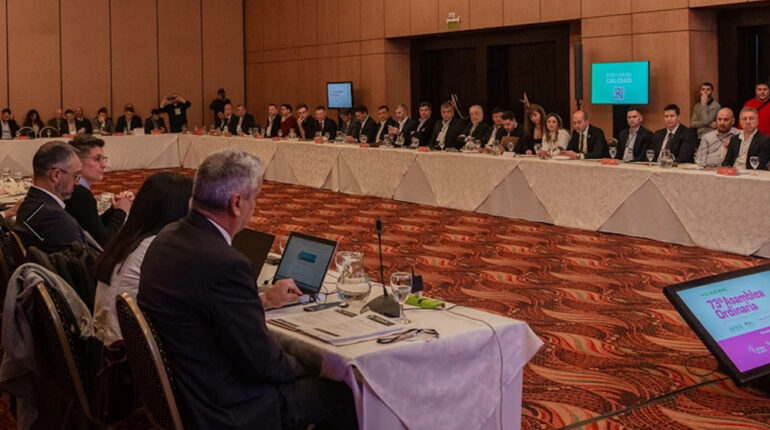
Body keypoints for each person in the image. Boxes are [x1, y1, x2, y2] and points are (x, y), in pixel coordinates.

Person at [137, 149, 358, 429]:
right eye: (256, 198)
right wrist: (316, 365)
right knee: (347, 391)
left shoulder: (166, 237)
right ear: (237, 203)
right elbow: (263, 364)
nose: (255, 207)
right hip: (223, 409)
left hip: (179, 391)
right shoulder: (225, 263)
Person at [93, 172, 193, 345]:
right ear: (179, 209)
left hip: (108, 344)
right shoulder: (158, 248)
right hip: (130, 352)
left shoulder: (127, 239)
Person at [13, 141, 91, 253]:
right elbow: (84, 262)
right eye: (76, 175)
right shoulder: (56, 220)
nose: (78, 183)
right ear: (56, 175)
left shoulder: (27, 205)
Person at [65, 135, 134, 247]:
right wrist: (121, 212)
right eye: (97, 159)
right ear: (78, 162)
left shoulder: (75, 189)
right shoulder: (80, 194)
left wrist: (114, 209)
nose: (104, 165)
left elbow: (93, 228)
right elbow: (104, 243)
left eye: (104, 159)